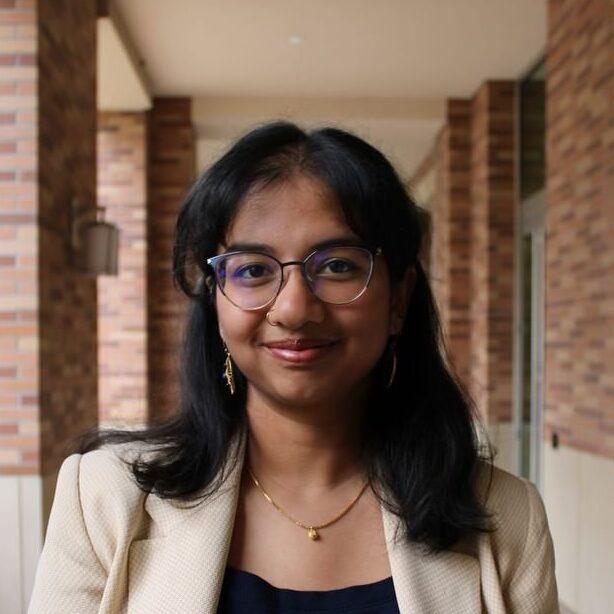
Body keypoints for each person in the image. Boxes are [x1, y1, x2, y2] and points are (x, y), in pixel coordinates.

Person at [28, 122, 559, 613]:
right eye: (254, 269)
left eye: (336, 266)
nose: (293, 308)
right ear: (215, 301)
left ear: (398, 298)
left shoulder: (506, 517)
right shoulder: (104, 497)